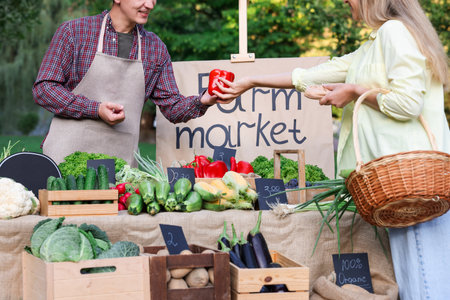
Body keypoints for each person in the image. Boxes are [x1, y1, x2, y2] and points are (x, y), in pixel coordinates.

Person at [214, 0, 450, 299]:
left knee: (425, 278)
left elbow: (407, 104)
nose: (345, 2)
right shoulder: (375, 44)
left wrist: (352, 91)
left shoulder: (395, 33)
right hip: (403, 182)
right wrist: (250, 81)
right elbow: (313, 74)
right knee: (418, 272)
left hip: (412, 177)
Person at [33, 0, 231, 166]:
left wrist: (204, 100)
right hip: (66, 160)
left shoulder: (155, 48)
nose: (150, 4)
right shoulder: (75, 32)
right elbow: (44, 89)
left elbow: (173, 108)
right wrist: (96, 109)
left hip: (120, 168)